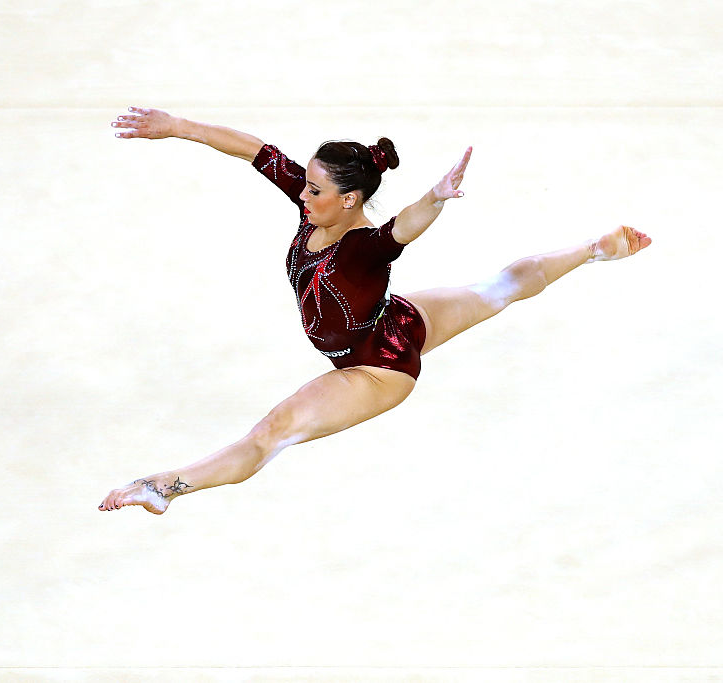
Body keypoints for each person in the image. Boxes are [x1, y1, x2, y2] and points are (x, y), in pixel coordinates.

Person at [98, 107, 651, 514]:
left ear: (349, 200)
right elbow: (256, 150)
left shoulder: (363, 246)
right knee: (497, 289)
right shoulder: (318, 209)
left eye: (314, 190)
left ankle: (164, 487)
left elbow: (402, 228)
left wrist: (435, 197)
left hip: (377, 368)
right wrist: (180, 128)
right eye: (305, 185)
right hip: (398, 320)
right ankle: (595, 250)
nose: (303, 196)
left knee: (273, 432)